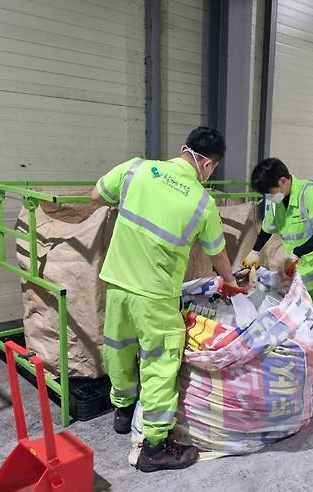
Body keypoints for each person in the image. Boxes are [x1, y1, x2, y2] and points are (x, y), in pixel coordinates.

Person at [91, 127, 245, 472]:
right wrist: (231, 282)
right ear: (208, 165)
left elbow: (94, 195)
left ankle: (123, 410)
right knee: (160, 363)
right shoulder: (202, 202)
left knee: (119, 347)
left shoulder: (136, 169)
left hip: (117, 282)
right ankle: (155, 447)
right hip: (156, 294)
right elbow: (217, 254)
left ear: (182, 150)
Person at [242, 158, 313, 400]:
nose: (268, 198)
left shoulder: (311, 194)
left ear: (283, 181)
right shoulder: (277, 201)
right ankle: (307, 368)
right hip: (300, 275)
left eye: (269, 192)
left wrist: (298, 252)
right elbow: (268, 228)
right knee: (296, 324)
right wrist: (254, 250)